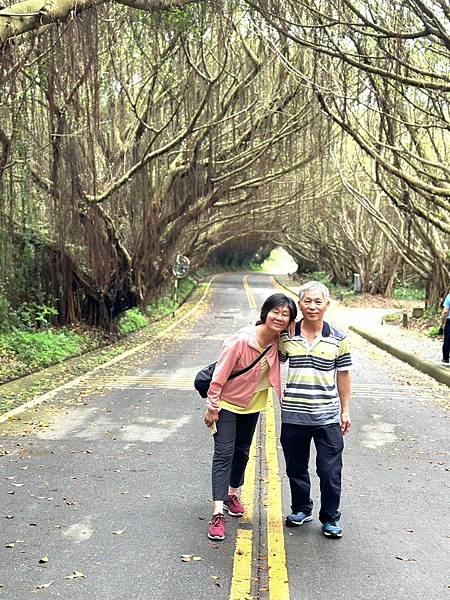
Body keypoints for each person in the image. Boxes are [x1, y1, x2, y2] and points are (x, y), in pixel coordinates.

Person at [204, 293, 297, 541]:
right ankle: (217, 512)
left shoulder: (279, 342)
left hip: (254, 404)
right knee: (224, 453)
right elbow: (218, 378)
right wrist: (213, 408)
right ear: (264, 313)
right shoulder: (241, 341)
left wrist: (288, 331)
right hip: (226, 404)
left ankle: (232, 493)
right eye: (275, 312)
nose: (279, 317)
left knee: (243, 452)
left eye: (285, 314)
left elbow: (293, 347)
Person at [279, 281, 352, 539]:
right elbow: (271, 362)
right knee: (295, 467)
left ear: (326, 305)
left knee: (329, 470)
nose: (312, 306)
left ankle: (331, 518)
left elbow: (343, 375)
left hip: (327, 415)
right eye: (307, 301)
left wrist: (345, 410)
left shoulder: (339, 338)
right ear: (300, 305)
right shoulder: (286, 335)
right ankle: (301, 509)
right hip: (294, 415)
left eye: (317, 302)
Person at [439, 290, 450, 366]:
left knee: (448, 339)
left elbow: (445, 311)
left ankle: (446, 358)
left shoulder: (449, 297)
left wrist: (441, 322)